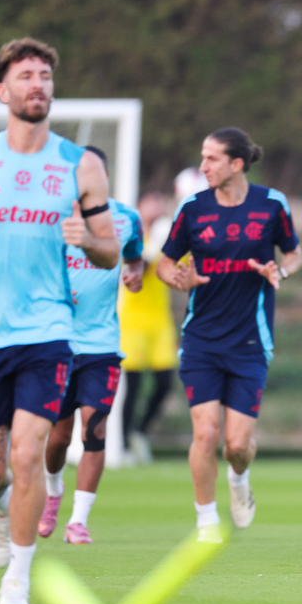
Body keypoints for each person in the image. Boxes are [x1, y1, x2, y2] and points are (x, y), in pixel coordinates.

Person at [0, 37, 119, 604]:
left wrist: (90, 241)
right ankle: (1, 508)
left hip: (47, 332)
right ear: (2, 90)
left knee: (28, 454)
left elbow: (110, 249)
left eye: (45, 77)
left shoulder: (79, 164)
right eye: (26, 76)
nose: (38, 85)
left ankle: (18, 579)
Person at [157, 127, 302, 543]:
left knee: (236, 445)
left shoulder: (271, 204)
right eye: (202, 157)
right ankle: (206, 521)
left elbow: (294, 254)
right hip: (200, 340)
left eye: (212, 158)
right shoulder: (192, 208)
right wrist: (179, 279)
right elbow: (165, 263)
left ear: (237, 164)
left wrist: (280, 271)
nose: (203, 166)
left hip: (250, 342)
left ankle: (239, 480)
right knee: (205, 433)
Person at [38, 146, 144, 544]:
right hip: (57, 344)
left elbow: (134, 256)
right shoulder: (50, 218)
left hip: (102, 346)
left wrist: (135, 273)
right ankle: (53, 493)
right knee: (58, 437)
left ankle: (78, 521)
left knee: (94, 428)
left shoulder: (127, 218)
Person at [118, 192, 178, 463]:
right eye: (150, 202)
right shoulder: (130, 236)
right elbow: (138, 263)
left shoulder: (166, 237)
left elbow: (179, 266)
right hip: (132, 321)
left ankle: (139, 433)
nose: (156, 207)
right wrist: (153, 252)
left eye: (159, 202)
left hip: (160, 321)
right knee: (132, 387)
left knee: (165, 383)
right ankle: (123, 447)